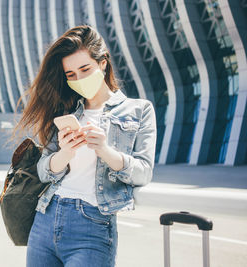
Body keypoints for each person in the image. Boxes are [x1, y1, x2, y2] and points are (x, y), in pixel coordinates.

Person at [10, 25, 157, 267]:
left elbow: (143, 172)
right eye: (71, 75)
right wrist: (65, 152)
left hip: (92, 225)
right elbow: (44, 170)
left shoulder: (139, 110)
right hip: (46, 217)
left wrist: (105, 150)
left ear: (103, 63)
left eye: (85, 69)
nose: (79, 79)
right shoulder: (66, 112)